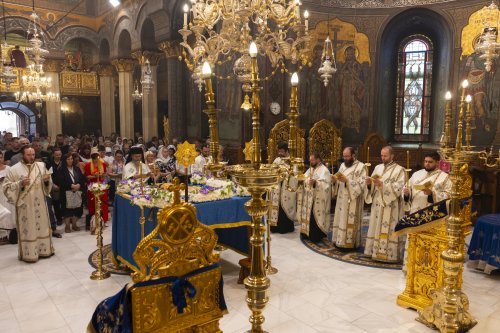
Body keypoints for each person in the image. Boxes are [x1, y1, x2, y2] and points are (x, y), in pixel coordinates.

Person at [3, 146, 54, 262]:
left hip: (40, 203)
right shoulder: (14, 169)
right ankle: (29, 253)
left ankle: (44, 250)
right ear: (23, 155)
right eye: (28, 155)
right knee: (29, 228)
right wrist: (20, 184)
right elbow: (6, 187)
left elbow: (48, 183)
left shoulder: (41, 166)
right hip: (25, 205)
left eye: (33, 155)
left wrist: (47, 182)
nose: (31, 157)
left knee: (42, 225)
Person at [402, 151, 452, 270]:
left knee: (427, 242)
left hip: (431, 215)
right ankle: (410, 267)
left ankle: (426, 268)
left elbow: (449, 196)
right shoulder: (417, 174)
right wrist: (406, 193)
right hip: (415, 212)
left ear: (437, 163)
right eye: (425, 161)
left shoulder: (445, 177)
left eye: (430, 162)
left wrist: (432, 194)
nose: (427, 164)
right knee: (413, 239)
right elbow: (407, 187)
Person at [364, 146, 405, 263]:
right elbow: (372, 186)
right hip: (377, 204)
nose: (382, 158)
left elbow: (399, 187)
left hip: (390, 206)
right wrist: (369, 184)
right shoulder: (377, 168)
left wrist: (382, 185)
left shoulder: (399, 170)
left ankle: (389, 254)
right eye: (381, 155)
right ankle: (374, 251)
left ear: (392, 156)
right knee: (375, 226)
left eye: (385, 156)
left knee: (389, 228)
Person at [330, 147, 367, 249]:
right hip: (342, 199)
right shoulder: (342, 165)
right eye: (344, 156)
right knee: (340, 219)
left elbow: (362, 184)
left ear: (353, 156)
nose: (345, 158)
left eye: (347, 156)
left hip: (352, 201)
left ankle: (350, 243)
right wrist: (334, 181)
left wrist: (347, 181)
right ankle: (339, 240)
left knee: (348, 221)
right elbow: (339, 181)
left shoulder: (361, 167)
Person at [297, 153, 332, 243]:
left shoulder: (324, 170)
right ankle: (306, 233)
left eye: (312, 160)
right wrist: (303, 180)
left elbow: (326, 185)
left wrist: (316, 183)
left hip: (317, 199)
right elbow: (305, 177)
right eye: (310, 160)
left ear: (318, 159)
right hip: (308, 198)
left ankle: (316, 236)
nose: (310, 162)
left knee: (314, 217)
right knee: (308, 216)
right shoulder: (311, 169)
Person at [269, 143, 296, 234]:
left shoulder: (291, 161)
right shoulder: (277, 160)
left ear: (286, 151)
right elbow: (272, 172)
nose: (280, 153)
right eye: (279, 151)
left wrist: (285, 175)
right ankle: (275, 227)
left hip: (286, 189)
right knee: (276, 207)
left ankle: (285, 228)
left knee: (284, 207)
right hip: (277, 188)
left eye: (282, 151)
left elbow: (294, 175)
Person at [57, 153, 86, 233]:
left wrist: (79, 185)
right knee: (67, 210)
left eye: (71, 159)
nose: (70, 160)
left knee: (77, 209)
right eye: (68, 159)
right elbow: (60, 181)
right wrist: (71, 185)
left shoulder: (76, 168)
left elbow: (82, 178)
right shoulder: (61, 169)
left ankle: (74, 225)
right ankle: (67, 226)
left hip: (77, 191)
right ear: (64, 160)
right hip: (66, 192)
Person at [84, 147, 109, 227]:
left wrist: (101, 175)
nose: (95, 160)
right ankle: (94, 221)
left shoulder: (103, 164)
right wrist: (94, 176)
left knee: (103, 202)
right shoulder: (88, 165)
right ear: (91, 158)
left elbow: (105, 174)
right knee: (93, 203)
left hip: (101, 185)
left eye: (97, 158)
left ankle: (103, 220)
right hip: (92, 186)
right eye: (94, 158)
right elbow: (87, 177)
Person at [0, 151, 15, 242]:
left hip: (6, 193)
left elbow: (13, 180)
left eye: (1, 157)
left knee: (8, 212)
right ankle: (1, 235)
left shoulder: (8, 168)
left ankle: (9, 235)